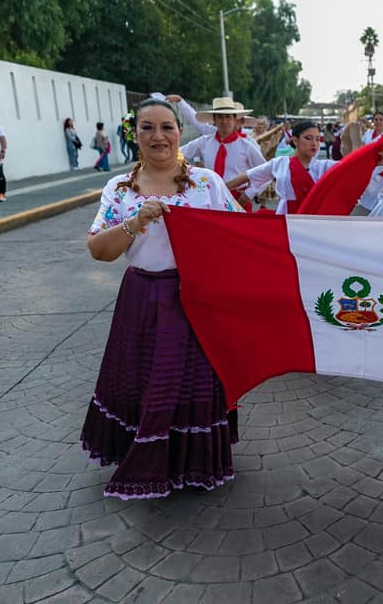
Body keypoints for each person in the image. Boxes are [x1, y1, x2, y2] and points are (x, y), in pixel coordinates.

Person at [81, 97, 243, 499]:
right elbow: (99, 250)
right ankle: (146, 458)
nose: (158, 136)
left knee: (191, 385)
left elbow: (243, 237)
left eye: (167, 127)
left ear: (180, 132)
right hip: (142, 300)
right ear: (133, 135)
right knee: (144, 383)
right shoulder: (119, 188)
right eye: (147, 128)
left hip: (196, 301)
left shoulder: (207, 183)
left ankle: (190, 464)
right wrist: (135, 222)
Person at [167, 95, 265, 208]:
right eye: (220, 117)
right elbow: (178, 154)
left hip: (238, 198)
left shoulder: (246, 145)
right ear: (214, 120)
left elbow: (265, 171)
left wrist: (250, 193)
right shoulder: (204, 141)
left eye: (228, 117)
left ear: (234, 120)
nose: (224, 121)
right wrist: (185, 172)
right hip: (210, 197)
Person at [225, 121, 337, 214]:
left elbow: (350, 169)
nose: (314, 143)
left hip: (313, 220)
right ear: (295, 140)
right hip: (285, 220)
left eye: (317, 139)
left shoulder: (326, 166)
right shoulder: (280, 163)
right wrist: (220, 188)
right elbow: (247, 175)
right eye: (308, 138)